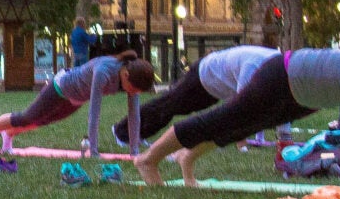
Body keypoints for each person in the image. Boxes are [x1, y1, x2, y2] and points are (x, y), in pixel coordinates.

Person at [135, 46, 340, 188]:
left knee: (246, 126)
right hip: (284, 75)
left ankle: (187, 160)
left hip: (307, 95)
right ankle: (148, 159)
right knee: (225, 119)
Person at [0, 50, 157, 156]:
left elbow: (135, 115)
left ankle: (8, 134)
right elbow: (94, 113)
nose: (133, 94)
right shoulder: (103, 71)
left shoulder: (132, 76)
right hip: (60, 87)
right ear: (125, 75)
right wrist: (93, 151)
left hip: (75, 99)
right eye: (133, 90)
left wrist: (134, 151)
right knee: (28, 116)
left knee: (41, 121)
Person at [115, 45, 278, 144]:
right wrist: (241, 144)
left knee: (171, 109)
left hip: (215, 89)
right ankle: (121, 132)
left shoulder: (275, 65)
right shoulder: (254, 65)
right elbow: (244, 107)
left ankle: (137, 134)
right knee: (167, 105)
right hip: (203, 76)